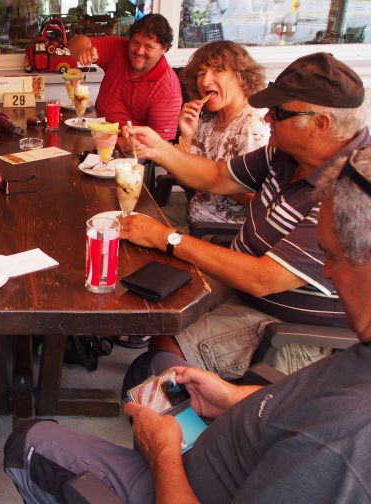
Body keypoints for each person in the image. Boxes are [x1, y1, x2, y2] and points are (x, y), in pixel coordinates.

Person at [5, 143, 371, 503]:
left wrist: (163, 452)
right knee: (153, 369)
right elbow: (301, 402)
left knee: (26, 441)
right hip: (222, 441)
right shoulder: (360, 356)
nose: (324, 271)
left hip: (182, 481)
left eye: (332, 256)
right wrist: (234, 398)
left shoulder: (338, 446)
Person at [122, 52, 369, 379]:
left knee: (159, 359)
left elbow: (264, 278)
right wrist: (158, 148)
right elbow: (216, 176)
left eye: (278, 112)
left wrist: (166, 237)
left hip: (289, 327)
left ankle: (194, 406)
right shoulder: (286, 153)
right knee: (155, 300)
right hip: (242, 286)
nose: (267, 119)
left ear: (320, 124)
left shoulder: (352, 189)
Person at [176, 40, 269, 225]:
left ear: (241, 76)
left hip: (222, 230)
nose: (205, 81)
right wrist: (186, 135)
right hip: (194, 212)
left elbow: (258, 200)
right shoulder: (207, 118)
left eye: (218, 70)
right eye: (201, 73)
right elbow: (183, 181)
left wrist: (210, 178)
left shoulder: (254, 125)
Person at [69, 14, 183, 148]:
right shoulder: (118, 47)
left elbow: (160, 148)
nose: (139, 51)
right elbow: (76, 41)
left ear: (164, 49)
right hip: (92, 134)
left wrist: (116, 143)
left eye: (149, 47)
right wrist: (83, 50)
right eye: (136, 42)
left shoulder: (168, 89)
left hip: (125, 152)